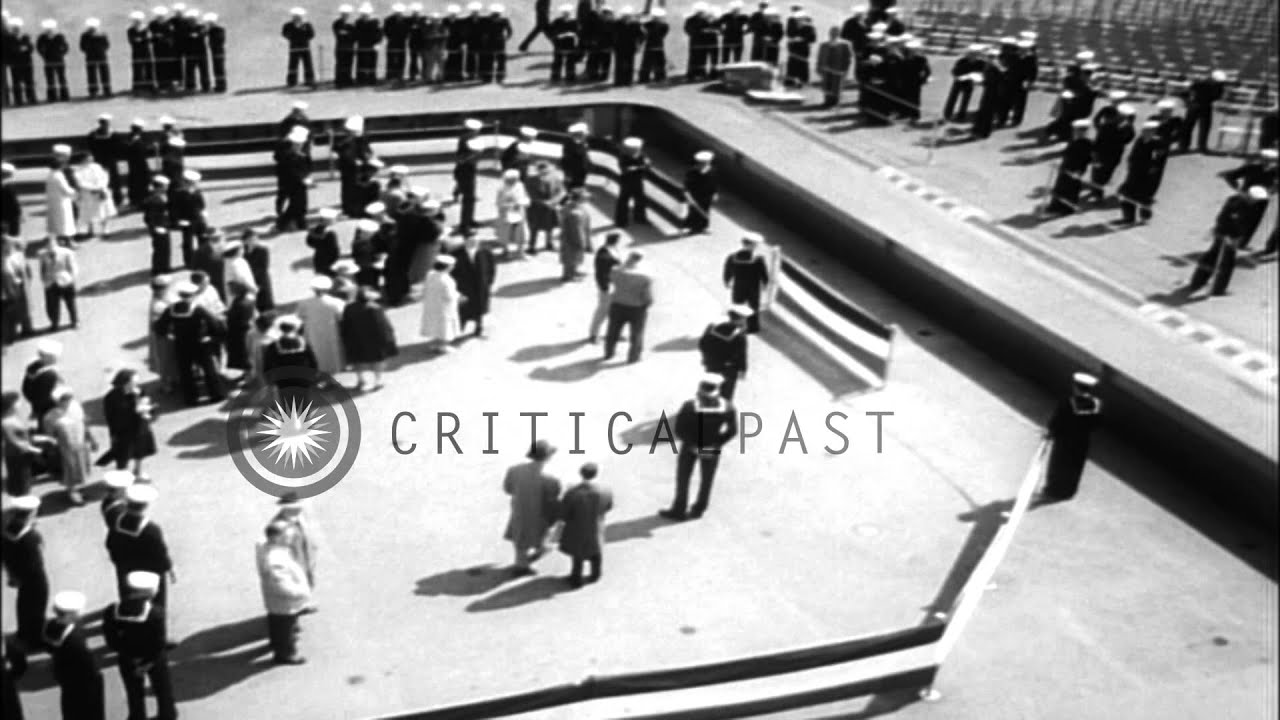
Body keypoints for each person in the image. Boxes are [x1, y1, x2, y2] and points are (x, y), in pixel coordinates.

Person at [659, 374, 739, 520]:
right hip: (712, 447)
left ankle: (679, 510)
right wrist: (718, 442)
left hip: (690, 447)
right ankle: (699, 509)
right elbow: (732, 431)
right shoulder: (728, 407)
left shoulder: (689, 406)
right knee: (707, 480)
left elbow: (679, 429)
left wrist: (693, 445)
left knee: (683, 478)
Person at [102, 571, 177, 720]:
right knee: (162, 689)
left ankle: (137, 716)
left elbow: (111, 639)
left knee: (133, 692)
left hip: (127, 658)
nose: (157, 591)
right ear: (144, 593)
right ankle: (167, 714)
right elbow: (158, 643)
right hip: (153, 659)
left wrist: (128, 654)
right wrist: (146, 664)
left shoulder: (112, 611)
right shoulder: (156, 613)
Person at [1187, 186, 1270, 296]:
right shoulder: (1241, 206)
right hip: (1229, 236)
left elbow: (1223, 218)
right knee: (1226, 264)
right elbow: (1234, 222)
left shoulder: (1234, 199)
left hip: (1222, 232)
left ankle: (1197, 282)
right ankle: (1217, 289)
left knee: (1211, 257)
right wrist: (1233, 237)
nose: (1256, 202)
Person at [154, 280, 225, 405]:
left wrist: (169, 334)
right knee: (208, 369)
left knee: (185, 372)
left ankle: (191, 399)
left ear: (180, 295)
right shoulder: (198, 309)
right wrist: (212, 336)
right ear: (192, 295)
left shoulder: (171, 310)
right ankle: (216, 395)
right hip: (200, 343)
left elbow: (159, 327)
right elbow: (214, 323)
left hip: (181, 344)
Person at [1038, 372, 1102, 502]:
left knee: (1058, 465)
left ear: (1076, 386)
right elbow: (1096, 424)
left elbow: (1058, 420)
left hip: (1065, 440)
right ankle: (1068, 491)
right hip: (1082, 441)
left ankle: (1054, 490)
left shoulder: (1068, 402)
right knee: (1075, 466)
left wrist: (1050, 432)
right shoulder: (1096, 403)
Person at [503, 439, 563, 576]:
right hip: (540, 512)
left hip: (519, 509)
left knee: (520, 536)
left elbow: (508, 489)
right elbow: (554, 496)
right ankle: (523, 565)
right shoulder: (551, 478)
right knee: (542, 532)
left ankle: (525, 559)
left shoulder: (514, 470)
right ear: (547, 457)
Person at [43, 590, 106, 720]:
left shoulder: (50, 626)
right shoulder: (74, 640)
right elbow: (88, 666)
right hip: (83, 682)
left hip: (65, 676)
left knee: (70, 708)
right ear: (70, 615)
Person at [256, 521, 312, 665]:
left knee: (278, 625)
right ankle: (285, 654)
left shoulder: (271, 549)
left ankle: (277, 644)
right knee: (284, 628)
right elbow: (281, 585)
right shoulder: (276, 560)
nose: (290, 537)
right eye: (286, 535)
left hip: (277, 602)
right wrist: (300, 593)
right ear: (276, 538)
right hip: (284, 602)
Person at [1, 496, 49, 648]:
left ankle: (23, 632)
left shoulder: (8, 529)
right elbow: (36, 561)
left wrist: (12, 574)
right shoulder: (29, 537)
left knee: (23, 604)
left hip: (19, 574)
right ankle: (35, 639)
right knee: (37, 606)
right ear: (31, 513)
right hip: (34, 577)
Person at [558, 462, 612, 588]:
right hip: (596, 525)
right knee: (596, 549)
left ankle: (576, 578)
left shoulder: (573, 493)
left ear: (581, 474)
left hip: (577, 527)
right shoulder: (605, 490)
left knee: (578, 553)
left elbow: (564, 513)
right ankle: (595, 574)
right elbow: (608, 506)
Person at [43, 386, 94, 505]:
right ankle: (72, 492)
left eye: (69, 398)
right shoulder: (51, 416)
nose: (67, 402)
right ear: (57, 401)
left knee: (81, 467)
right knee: (70, 469)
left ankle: (77, 488)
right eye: (64, 400)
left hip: (80, 442)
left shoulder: (76, 406)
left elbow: (83, 422)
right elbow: (49, 434)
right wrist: (54, 445)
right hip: (66, 447)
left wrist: (91, 438)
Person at [102, 368, 158, 475]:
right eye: (134, 382)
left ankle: (138, 471)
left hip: (140, 428)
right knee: (122, 456)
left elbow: (147, 405)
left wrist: (148, 410)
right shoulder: (111, 397)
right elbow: (111, 417)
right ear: (125, 383)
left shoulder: (139, 391)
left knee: (140, 451)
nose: (136, 385)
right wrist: (134, 410)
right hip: (123, 432)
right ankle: (122, 477)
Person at [341, 287, 398, 390]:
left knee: (357, 360)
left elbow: (345, 325)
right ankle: (377, 381)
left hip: (355, 338)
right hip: (374, 339)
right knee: (377, 360)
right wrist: (389, 338)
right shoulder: (375, 308)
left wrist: (346, 339)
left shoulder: (349, 308)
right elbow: (382, 325)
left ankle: (361, 379)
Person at [603, 250, 653, 363]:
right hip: (637, 308)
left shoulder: (615, 271)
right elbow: (648, 297)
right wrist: (647, 304)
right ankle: (634, 357)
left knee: (612, 331)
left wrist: (625, 264)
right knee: (636, 334)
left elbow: (612, 278)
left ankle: (609, 353)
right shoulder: (644, 277)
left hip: (617, 304)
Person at [1117, 121, 1168, 225]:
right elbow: (1133, 154)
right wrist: (1130, 163)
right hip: (1134, 173)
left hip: (1146, 176)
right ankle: (1129, 217)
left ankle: (1145, 217)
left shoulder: (1158, 143)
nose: (1144, 132)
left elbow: (1159, 160)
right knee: (1126, 194)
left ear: (1153, 132)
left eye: (1148, 131)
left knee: (1144, 197)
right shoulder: (1139, 140)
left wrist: (1152, 169)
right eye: (1144, 130)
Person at [297, 275, 347, 376]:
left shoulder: (304, 302)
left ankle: (317, 371)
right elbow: (341, 317)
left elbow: (300, 316)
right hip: (331, 329)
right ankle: (332, 371)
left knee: (315, 350)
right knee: (331, 350)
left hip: (312, 330)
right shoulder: (337, 302)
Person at [1086, 102, 1136, 201]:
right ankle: (1097, 194)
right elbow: (1099, 140)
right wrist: (1094, 153)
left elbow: (1128, 139)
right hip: (1103, 154)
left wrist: (1127, 128)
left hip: (1113, 155)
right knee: (1098, 174)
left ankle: (1097, 190)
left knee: (1105, 174)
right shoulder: (1109, 125)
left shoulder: (1127, 128)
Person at [699, 305, 750, 400]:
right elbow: (741, 355)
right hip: (729, 369)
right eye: (745, 318)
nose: (746, 321)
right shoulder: (740, 336)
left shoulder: (715, 328)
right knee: (726, 395)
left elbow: (702, 344)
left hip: (712, 364)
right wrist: (743, 370)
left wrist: (706, 358)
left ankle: (704, 403)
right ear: (740, 319)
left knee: (708, 387)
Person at [451, 232, 496, 337]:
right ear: (465, 241)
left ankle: (479, 327)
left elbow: (492, 268)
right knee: (463, 309)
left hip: (481, 286)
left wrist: (489, 282)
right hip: (464, 287)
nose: (474, 243)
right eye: (471, 241)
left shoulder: (485, 252)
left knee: (480, 308)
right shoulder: (456, 254)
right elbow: (452, 272)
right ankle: (459, 328)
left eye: (476, 241)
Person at [1045, 120, 1093, 215]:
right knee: (1059, 188)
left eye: (1077, 130)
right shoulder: (1074, 140)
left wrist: (1079, 171)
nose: (1075, 132)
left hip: (1075, 170)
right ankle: (1055, 206)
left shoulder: (1086, 143)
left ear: (1083, 131)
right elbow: (1067, 153)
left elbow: (1086, 159)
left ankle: (1067, 209)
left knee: (1070, 190)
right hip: (1066, 168)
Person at [723, 233, 768, 333]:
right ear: (752, 245)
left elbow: (727, 270)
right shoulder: (758, 259)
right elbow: (763, 273)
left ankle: (735, 324)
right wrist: (765, 283)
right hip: (753, 287)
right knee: (753, 307)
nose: (756, 246)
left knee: (737, 305)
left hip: (739, 286)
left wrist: (727, 280)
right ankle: (753, 327)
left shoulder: (732, 257)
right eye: (755, 245)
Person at [261, 315, 318, 391]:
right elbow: (313, 361)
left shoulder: (274, 346)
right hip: (302, 378)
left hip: (284, 380)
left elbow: (268, 364)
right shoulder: (304, 343)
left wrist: (269, 378)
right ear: (294, 329)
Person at [420, 255, 462, 352]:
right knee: (444, 326)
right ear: (447, 267)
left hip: (432, 304)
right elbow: (449, 295)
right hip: (444, 307)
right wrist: (459, 296)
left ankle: (436, 343)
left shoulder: (430, 275)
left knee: (434, 324)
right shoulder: (446, 280)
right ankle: (443, 345)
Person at [587, 232, 622, 342]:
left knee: (616, 311)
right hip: (608, 287)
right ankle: (594, 334)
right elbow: (601, 273)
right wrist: (605, 287)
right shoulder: (604, 254)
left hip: (614, 286)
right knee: (603, 311)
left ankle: (614, 333)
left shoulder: (610, 250)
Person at [1180, 69, 1226, 154]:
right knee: (1189, 126)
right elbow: (1184, 93)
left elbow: (1217, 97)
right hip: (1196, 106)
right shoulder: (1200, 84)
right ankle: (1185, 146)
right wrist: (1188, 102)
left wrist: (1188, 102)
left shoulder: (1217, 86)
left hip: (1203, 106)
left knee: (1203, 127)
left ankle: (1199, 147)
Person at [72, 152, 117, 238]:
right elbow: (80, 182)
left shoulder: (97, 167)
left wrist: (101, 187)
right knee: (89, 212)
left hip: (101, 191)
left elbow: (104, 177)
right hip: (88, 193)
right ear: (83, 159)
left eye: (91, 157)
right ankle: (90, 230)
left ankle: (105, 229)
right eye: (88, 158)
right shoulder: (78, 170)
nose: (90, 159)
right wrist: (93, 188)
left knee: (104, 211)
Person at [38, 236, 79, 331]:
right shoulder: (42, 255)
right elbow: (42, 269)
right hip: (50, 282)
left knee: (70, 302)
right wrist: (44, 280)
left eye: (52, 244)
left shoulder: (67, 253)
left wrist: (71, 278)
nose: (50, 247)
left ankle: (75, 321)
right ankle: (55, 323)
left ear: (56, 243)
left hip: (65, 280)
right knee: (52, 305)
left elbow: (73, 267)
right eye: (48, 245)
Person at [276, 126, 313, 232]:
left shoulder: (302, 156)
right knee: (295, 205)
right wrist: (302, 178)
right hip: (292, 184)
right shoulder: (288, 156)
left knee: (302, 204)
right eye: (297, 144)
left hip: (301, 184)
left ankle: (301, 222)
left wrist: (307, 176)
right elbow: (290, 172)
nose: (299, 146)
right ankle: (285, 222)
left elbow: (308, 167)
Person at [22, 340, 65, 429]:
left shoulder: (34, 365)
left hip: (35, 400)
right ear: (47, 357)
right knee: (49, 422)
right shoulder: (49, 374)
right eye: (54, 357)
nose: (56, 359)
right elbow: (45, 395)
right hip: (47, 404)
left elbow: (27, 388)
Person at [527, 161, 566, 253]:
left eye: (546, 172)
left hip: (550, 208)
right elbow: (531, 195)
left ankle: (549, 243)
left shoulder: (555, 178)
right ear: (538, 170)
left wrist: (554, 202)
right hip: (536, 208)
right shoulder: (531, 180)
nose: (545, 174)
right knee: (534, 228)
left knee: (550, 226)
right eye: (542, 171)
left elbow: (562, 191)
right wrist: (544, 202)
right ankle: (531, 246)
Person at [2, 237, 34, 345]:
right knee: (9, 312)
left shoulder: (18, 256)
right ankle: (10, 334)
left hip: (20, 285)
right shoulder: (3, 259)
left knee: (24, 308)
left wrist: (27, 280)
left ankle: (27, 329)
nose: (7, 248)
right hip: (8, 287)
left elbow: (27, 269)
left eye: (8, 246)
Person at [495, 168, 531, 256]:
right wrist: (509, 206)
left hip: (519, 213)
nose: (513, 181)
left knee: (520, 232)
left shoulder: (520, 186)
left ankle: (520, 251)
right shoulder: (501, 188)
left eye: (515, 179)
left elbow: (525, 198)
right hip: (505, 214)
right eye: (511, 179)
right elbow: (498, 203)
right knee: (505, 233)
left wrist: (523, 202)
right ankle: (506, 250)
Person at [615, 137, 650, 227]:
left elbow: (646, 163)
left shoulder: (641, 155)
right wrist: (640, 167)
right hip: (627, 182)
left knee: (640, 200)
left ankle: (640, 218)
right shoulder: (623, 157)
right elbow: (626, 169)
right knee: (623, 201)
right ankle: (621, 221)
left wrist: (645, 164)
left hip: (638, 181)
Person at [558, 187, 592, 281]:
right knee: (570, 257)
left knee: (575, 256)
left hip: (574, 236)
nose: (587, 197)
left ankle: (573, 271)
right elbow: (576, 230)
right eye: (585, 196)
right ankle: (568, 276)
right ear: (580, 198)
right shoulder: (574, 212)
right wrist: (581, 242)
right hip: (573, 238)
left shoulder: (574, 206)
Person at [943, 44, 984, 121]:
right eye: (972, 54)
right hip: (958, 82)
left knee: (965, 100)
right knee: (952, 98)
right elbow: (954, 71)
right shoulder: (961, 61)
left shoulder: (981, 63)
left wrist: (977, 78)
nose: (973, 56)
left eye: (975, 54)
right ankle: (947, 114)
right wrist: (960, 76)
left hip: (969, 83)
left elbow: (983, 72)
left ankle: (961, 115)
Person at [816, 26, 853, 107]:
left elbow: (848, 58)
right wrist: (819, 68)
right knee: (827, 85)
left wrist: (845, 69)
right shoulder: (824, 44)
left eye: (835, 33)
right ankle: (827, 101)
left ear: (839, 34)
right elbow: (820, 57)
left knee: (836, 86)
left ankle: (835, 102)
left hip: (838, 69)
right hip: (826, 69)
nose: (833, 34)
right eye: (832, 33)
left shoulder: (845, 44)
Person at [46, 144, 77, 240]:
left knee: (60, 219)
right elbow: (68, 184)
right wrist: (75, 192)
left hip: (56, 199)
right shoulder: (62, 169)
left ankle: (61, 236)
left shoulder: (53, 171)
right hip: (65, 197)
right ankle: (68, 238)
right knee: (67, 219)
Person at [682, 150, 718, 233]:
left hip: (707, 196)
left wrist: (715, 193)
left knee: (705, 211)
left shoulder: (713, 171)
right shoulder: (692, 172)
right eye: (701, 163)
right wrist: (689, 197)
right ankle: (690, 227)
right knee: (693, 212)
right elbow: (687, 186)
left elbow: (715, 183)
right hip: (695, 196)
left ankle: (703, 227)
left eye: (706, 163)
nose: (703, 165)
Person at [241, 229, 276, 311]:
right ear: (245, 241)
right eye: (251, 240)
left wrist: (252, 276)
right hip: (249, 280)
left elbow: (264, 267)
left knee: (266, 301)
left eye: (255, 239)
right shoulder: (243, 252)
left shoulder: (263, 250)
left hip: (261, 279)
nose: (254, 241)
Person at [36, 19, 70, 102]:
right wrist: (44, 56)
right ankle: (52, 97)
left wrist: (61, 54)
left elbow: (66, 47)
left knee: (62, 78)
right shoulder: (42, 37)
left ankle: (64, 96)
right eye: (47, 29)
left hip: (59, 60)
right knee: (50, 79)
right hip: (48, 61)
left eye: (50, 29)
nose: (49, 30)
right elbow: (39, 48)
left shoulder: (59, 36)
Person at [283, 8, 317, 87]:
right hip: (294, 49)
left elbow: (311, 34)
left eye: (299, 16)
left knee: (308, 65)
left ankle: (309, 81)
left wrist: (303, 39)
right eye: (295, 16)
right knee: (292, 66)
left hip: (305, 48)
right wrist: (292, 38)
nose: (297, 18)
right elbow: (285, 33)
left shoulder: (307, 25)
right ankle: (292, 82)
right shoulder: (288, 25)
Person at [79, 18, 111, 99]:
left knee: (104, 74)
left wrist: (100, 50)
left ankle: (107, 91)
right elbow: (82, 46)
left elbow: (107, 45)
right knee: (91, 75)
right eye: (91, 27)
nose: (92, 29)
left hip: (101, 56)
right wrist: (89, 50)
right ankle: (93, 92)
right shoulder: (85, 36)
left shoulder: (102, 34)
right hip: (91, 57)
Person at [354, 3, 384, 86]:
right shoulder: (358, 23)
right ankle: (360, 80)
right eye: (363, 14)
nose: (364, 16)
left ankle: (371, 79)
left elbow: (380, 34)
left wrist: (378, 43)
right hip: (361, 46)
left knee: (372, 63)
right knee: (360, 63)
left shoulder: (375, 23)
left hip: (372, 46)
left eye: (366, 14)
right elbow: (355, 34)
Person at [126, 11, 155, 94]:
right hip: (136, 51)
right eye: (135, 20)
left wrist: (141, 39)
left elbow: (149, 39)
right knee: (137, 69)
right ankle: (137, 87)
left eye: (138, 20)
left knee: (149, 68)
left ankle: (150, 86)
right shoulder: (130, 29)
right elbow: (131, 40)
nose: (137, 22)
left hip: (146, 51)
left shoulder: (146, 28)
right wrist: (139, 39)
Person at [307, 208, 341, 276]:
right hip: (326, 259)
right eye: (333, 219)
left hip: (320, 258)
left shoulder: (318, 229)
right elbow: (333, 248)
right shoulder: (329, 232)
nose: (335, 220)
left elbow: (310, 242)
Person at [638, 7, 668, 83]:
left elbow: (662, 34)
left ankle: (660, 77)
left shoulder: (664, 26)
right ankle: (644, 78)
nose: (658, 19)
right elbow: (645, 34)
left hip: (659, 46)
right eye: (656, 17)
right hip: (650, 46)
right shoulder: (647, 25)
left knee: (660, 63)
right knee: (647, 64)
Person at [384, 3, 411, 84]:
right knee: (391, 60)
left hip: (401, 43)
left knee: (401, 60)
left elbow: (408, 31)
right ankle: (390, 76)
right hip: (392, 43)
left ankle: (400, 76)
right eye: (397, 12)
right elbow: (386, 31)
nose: (399, 14)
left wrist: (404, 37)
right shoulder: (388, 20)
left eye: (400, 12)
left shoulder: (406, 20)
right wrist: (392, 37)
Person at [333, 4, 357, 87]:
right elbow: (338, 34)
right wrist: (349, 34)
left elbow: (355, 36)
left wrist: (346, 34)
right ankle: (339, 81)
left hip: (350, 48)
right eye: (344, 14)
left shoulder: (351, 24)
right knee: (340, 64)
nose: (345, 15)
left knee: (349, 64)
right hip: (340, 48)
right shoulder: (337, 23)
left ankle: (347, 80)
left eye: (347, 14)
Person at [562, 123, 591, 189]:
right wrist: (568, 175)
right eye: (583, 134)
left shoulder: (582, 143)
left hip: (581, 171)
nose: (585, 136)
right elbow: (567, 160)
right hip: (574, 173)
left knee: (579, 186)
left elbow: (585, 156)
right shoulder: (571, 145)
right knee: (573, 188)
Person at [1, 164, 21, 236]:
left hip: (4, 217)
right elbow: (14, 202)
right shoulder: (8, 187)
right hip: (11, 217)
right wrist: (19, 213)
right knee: (13, 236)